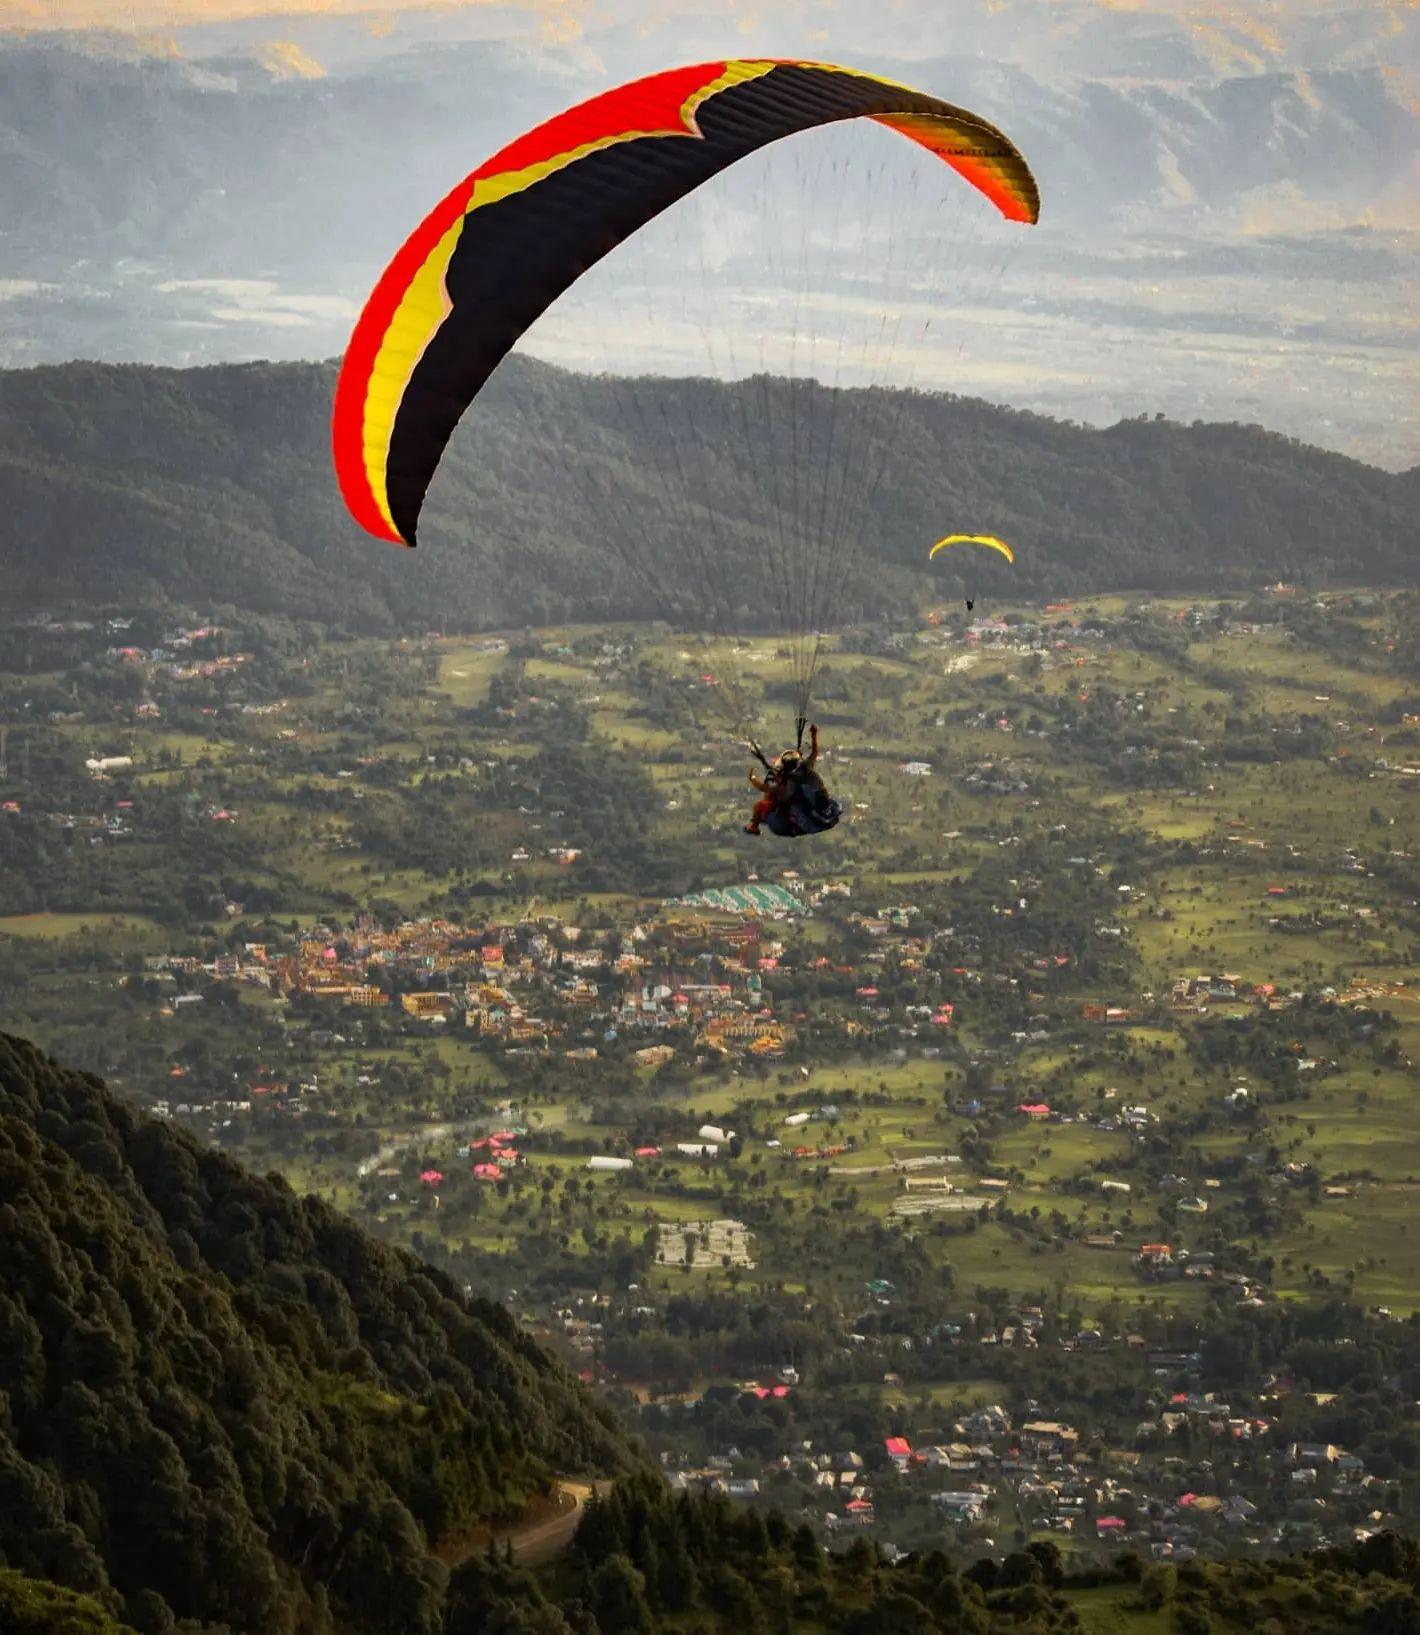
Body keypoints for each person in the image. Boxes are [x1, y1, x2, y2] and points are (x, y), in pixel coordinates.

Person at [745, 725, 835, 836]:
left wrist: (753, 779)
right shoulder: (806, 767)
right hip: (808, 815)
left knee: (759, 806)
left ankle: (753, 827)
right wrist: (814, 735)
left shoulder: (787, 784)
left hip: (784, 825)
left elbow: (765, 788)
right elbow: (814, 752)